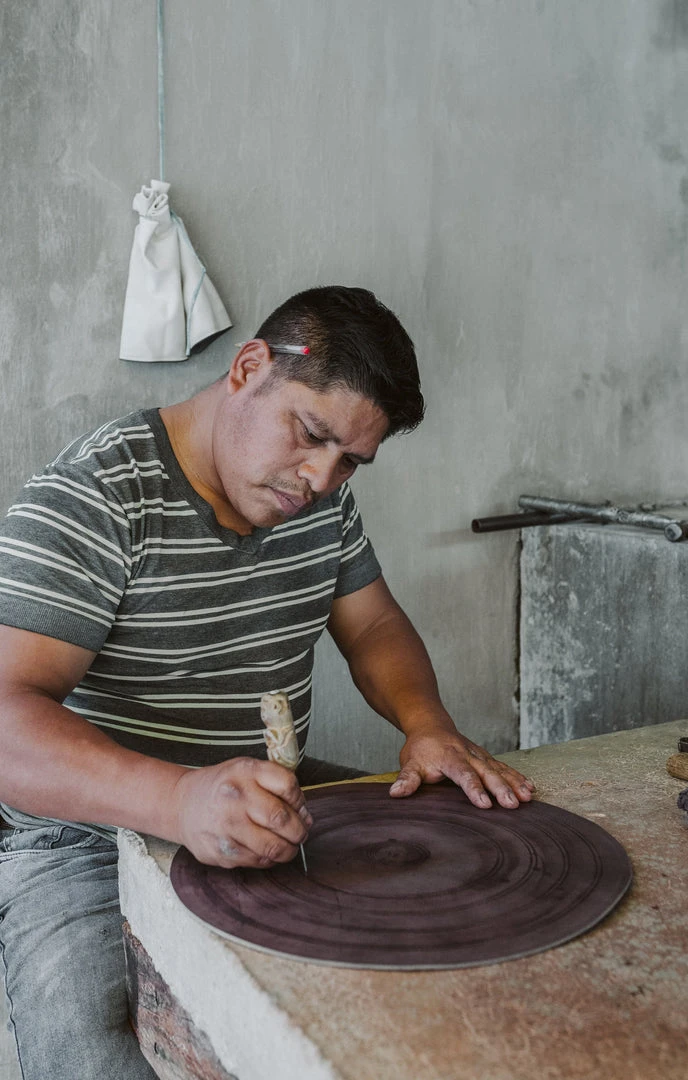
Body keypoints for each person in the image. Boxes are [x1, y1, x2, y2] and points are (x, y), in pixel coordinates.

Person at [0, 285, 533, 1078]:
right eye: (311, 434)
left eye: (350, 460)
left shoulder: (317, 505)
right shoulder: (95, 499)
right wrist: (178, 801)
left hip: (267, 793)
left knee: (467, 909)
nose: (321, 477)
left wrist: (427, 724)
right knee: (95, 1041)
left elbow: (375, 626)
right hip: (81, 832)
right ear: (250, 367)